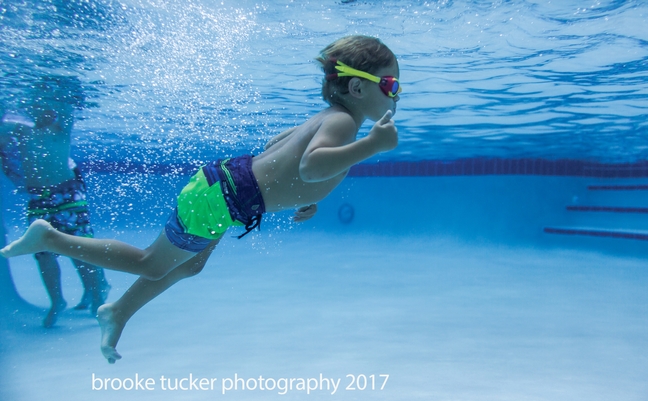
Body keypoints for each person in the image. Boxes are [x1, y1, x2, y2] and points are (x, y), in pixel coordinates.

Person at [0, 35, 401, 362]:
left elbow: (280, 150)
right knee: (150, 263)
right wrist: (372, 145)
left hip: (225, 191)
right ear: (357, 86)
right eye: (391, 85)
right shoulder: (347, 125)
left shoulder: (328, 117)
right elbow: (313, 167)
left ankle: (117, 311)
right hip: (222, 199)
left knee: (189, 267)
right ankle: (51, 239)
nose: (396, 95)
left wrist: (303, 196)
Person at [0, 76, 110, 328]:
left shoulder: (60, 130)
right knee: (43, 253)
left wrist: (57, 91)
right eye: (37, 106)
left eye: (48, 106)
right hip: (38, 199)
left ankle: (97, 293)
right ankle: (57, 300)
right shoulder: (22, 131)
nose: (44, 111)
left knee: (80, 249)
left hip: (67, 195)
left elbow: (66, 106)